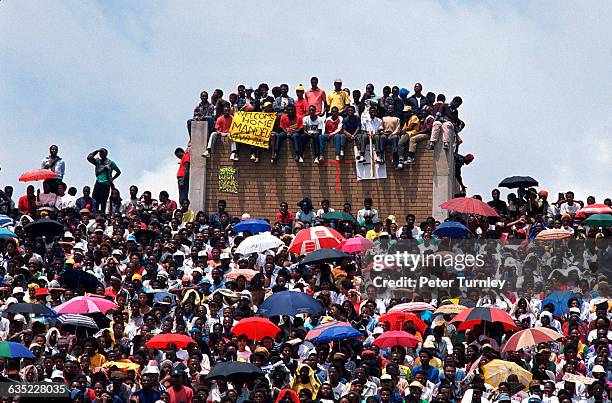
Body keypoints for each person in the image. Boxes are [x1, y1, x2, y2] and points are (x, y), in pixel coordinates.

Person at [87, 148, 121, 214]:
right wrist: (96, 151)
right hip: (98, 183)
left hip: (106, 184)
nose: (101, 154)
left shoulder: (110, 163)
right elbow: (89, 158)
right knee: (94, 200)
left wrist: (112, 179)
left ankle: (102, 214)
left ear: (106, 154)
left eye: (102, 152)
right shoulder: (97, 161)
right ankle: (95, 213)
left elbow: (118, 172)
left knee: (103, 201)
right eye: (100, 152)